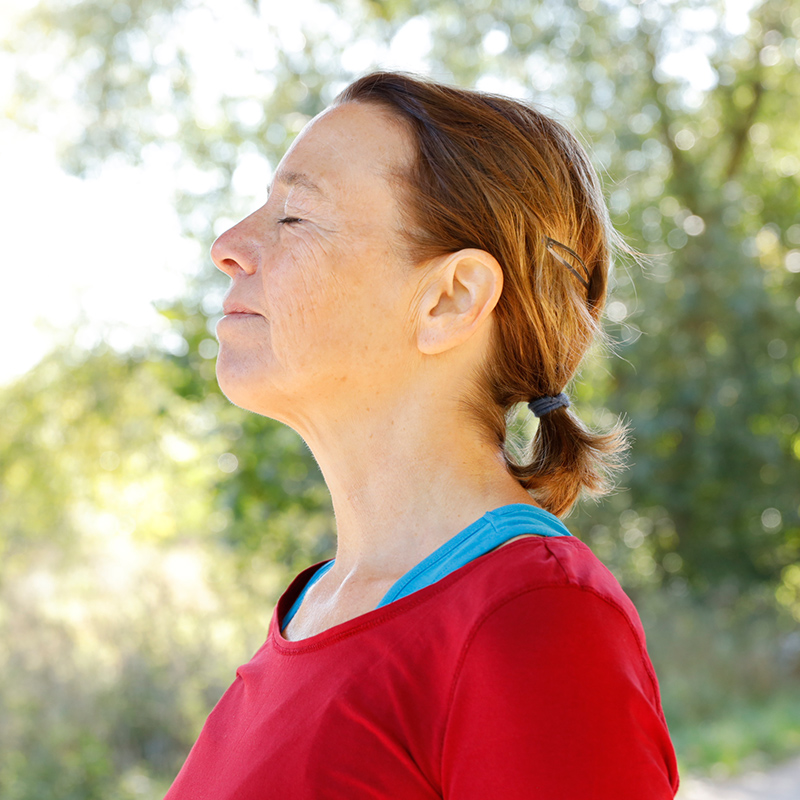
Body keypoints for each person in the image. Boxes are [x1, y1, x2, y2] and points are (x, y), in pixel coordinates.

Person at [165, 71, 679, 799]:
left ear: (450, 299)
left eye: (296, 216)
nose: (228, 244)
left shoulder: (538, 620)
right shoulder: (314, 606)